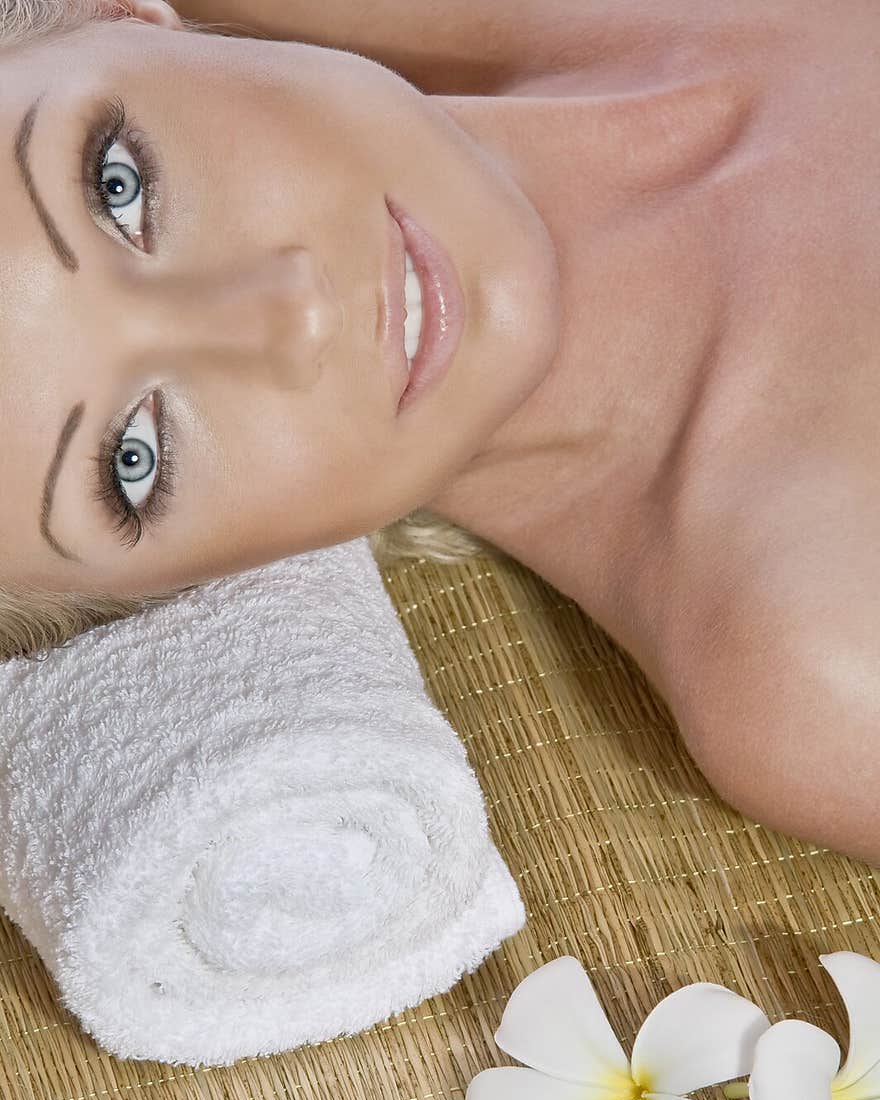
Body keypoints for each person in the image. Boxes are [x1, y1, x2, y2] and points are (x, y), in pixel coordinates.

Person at [1, 0, 878, 867]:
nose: (293, 316)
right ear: (174, 591)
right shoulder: (828, 660)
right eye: (135, 460)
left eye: (119, 185)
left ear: (119, 15)